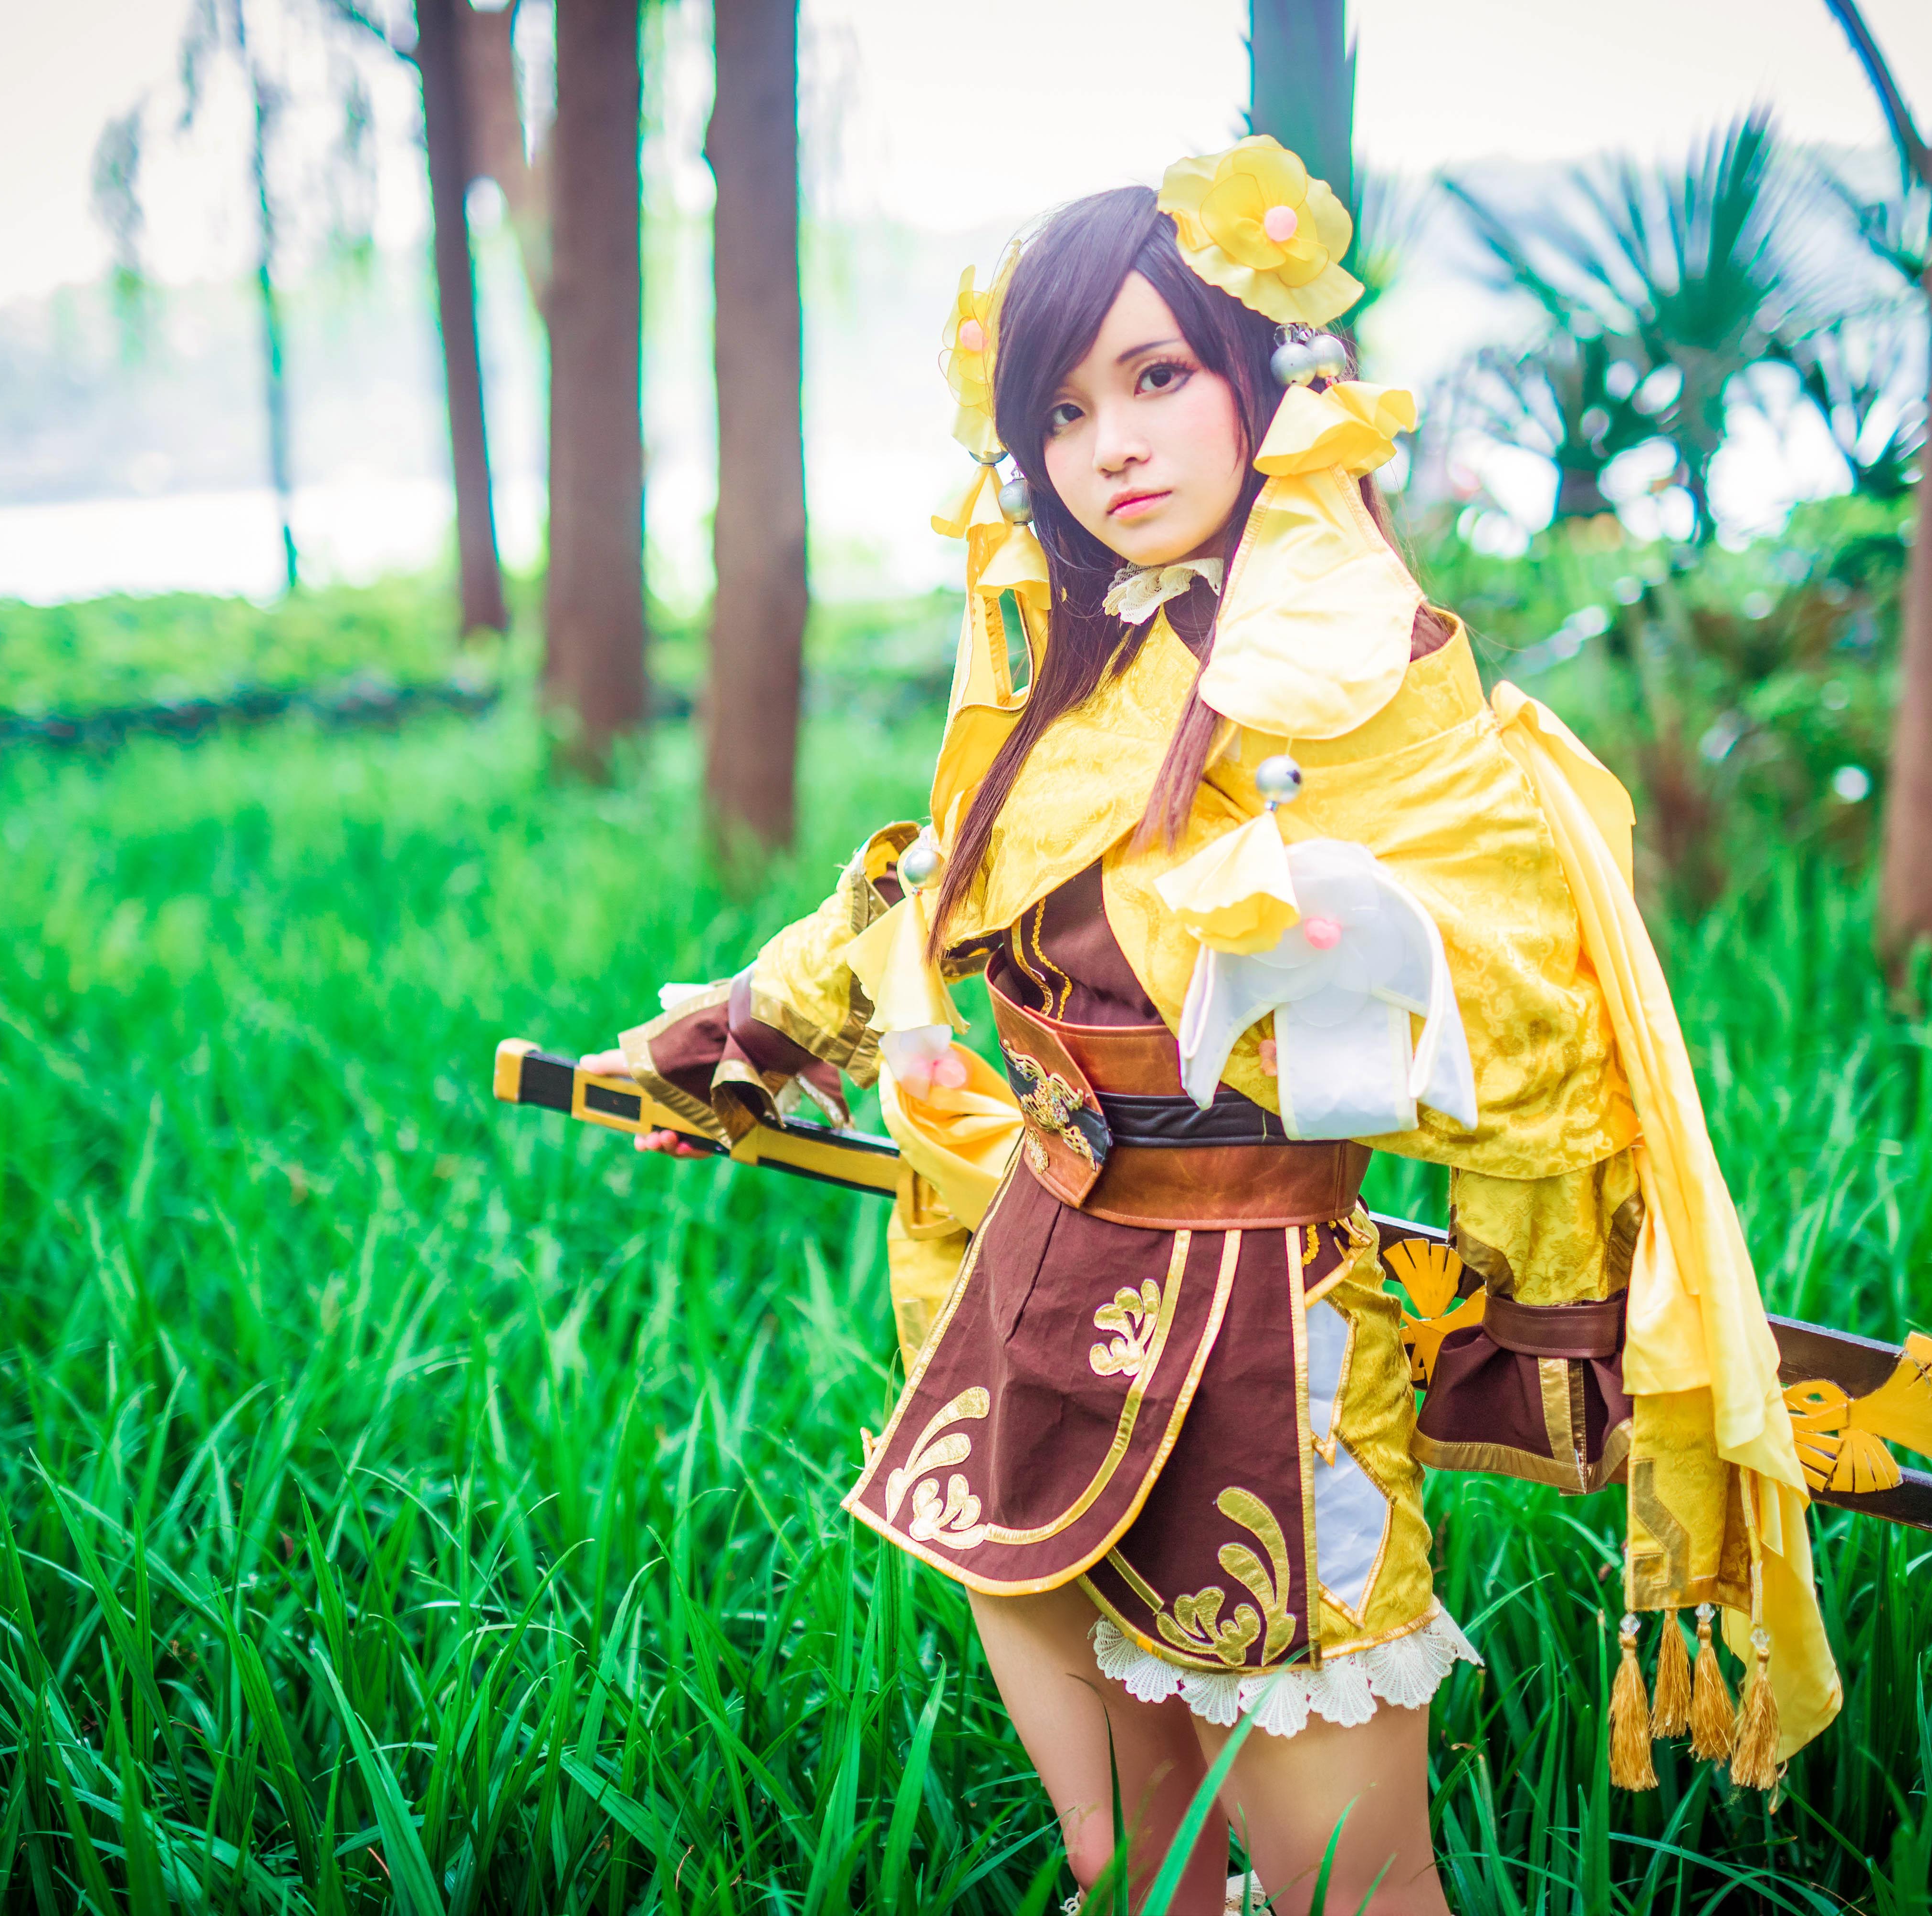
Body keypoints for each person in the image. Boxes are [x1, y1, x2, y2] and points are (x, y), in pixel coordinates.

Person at [583, 140, 1839, 1916]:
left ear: (1268, 378)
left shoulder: (1364, 672)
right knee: (1132, 1869)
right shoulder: (1073, 665)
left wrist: (1547, 1303)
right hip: (1033, 1309)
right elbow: (933, 890)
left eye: (1159, 376)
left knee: (1350, 1898)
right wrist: (738, 1036)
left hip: (1267, 1354)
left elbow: (1534, 1012)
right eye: (1063, 411)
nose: (1112, 446)